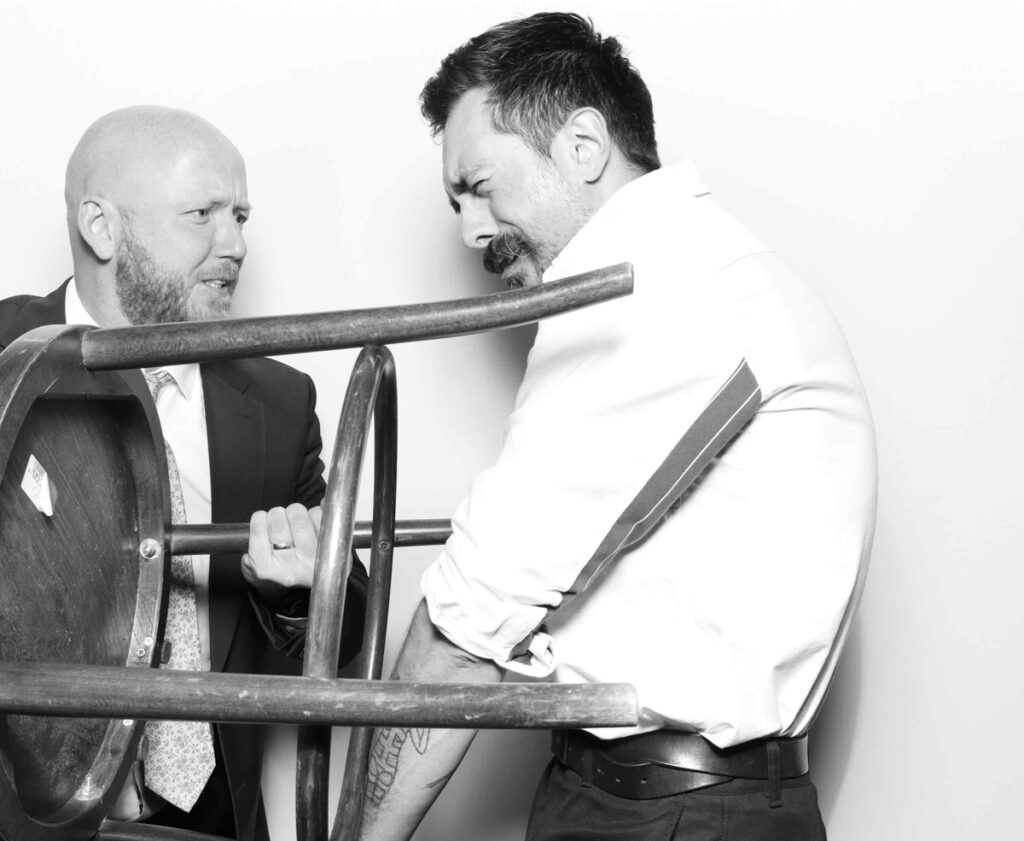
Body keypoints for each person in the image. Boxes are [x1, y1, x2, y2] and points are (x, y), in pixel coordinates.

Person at [262, 12, 876, 840]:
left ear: (583, 146)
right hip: (636, 798)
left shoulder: (664, 296)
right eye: (454, 203)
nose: (470, 230)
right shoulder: (691, 273)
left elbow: (466, 628)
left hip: (672, 816)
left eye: (479, 185)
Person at [0, 106, 366, 840]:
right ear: (102, 228)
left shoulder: (278, 397)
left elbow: (351, 616)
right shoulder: (2, 354)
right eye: (203, 213)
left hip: (212, 818)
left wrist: (296, 592)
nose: (235, 244)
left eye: (241, 215)